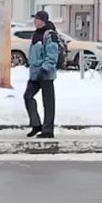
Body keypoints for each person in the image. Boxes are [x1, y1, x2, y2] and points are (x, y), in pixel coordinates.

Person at [25, 10, 60, 139]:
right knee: (28, 97)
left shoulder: (49, 35)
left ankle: (48, 130)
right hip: (35, 73)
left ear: (43, 20)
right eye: (34, 19)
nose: (35, 21)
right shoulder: (36, 34)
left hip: (45, 74)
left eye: (37, 19)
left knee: (48, 102)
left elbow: (52, 54)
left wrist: (45, 69)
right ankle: (36, 124)